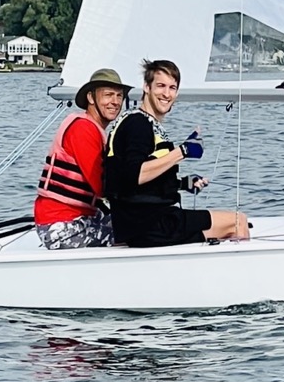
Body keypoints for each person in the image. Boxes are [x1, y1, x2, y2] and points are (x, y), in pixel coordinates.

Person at [104, 58, 249, 247]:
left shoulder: (140, 121)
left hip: (142, 224)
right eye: (160, 86)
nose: (166, 94)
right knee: (238, 222)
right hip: (150, 225)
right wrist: (183, 150)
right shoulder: (138, 124)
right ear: (146, 87)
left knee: (228, 223)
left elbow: (136, 182)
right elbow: (135, 174)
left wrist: (183, 183)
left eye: (172, 88)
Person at [34, 67, 130, 249]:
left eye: (119, 96)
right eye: (108, 95)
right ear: (91, 98)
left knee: (140, 222)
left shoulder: (92, 128)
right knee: (139, 234)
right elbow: (104, 187)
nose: (115, 102)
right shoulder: (83, 130)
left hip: (75, 218)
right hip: (61, 225)